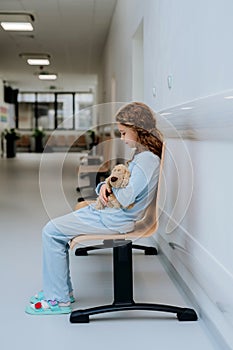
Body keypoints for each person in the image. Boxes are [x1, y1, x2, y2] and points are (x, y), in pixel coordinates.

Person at [25, 102, 164, 315]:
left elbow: (126, 197)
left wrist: (109, 183)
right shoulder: (143, 156)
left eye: (124, 132)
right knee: (55, 231)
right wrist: (105, 186)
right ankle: (61, 292)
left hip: (114, 219)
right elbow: (121, 185)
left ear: (137, 129)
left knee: (51, 232)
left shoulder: (146, 160)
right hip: (109, 213)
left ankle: (58, 300)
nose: (122, 137)